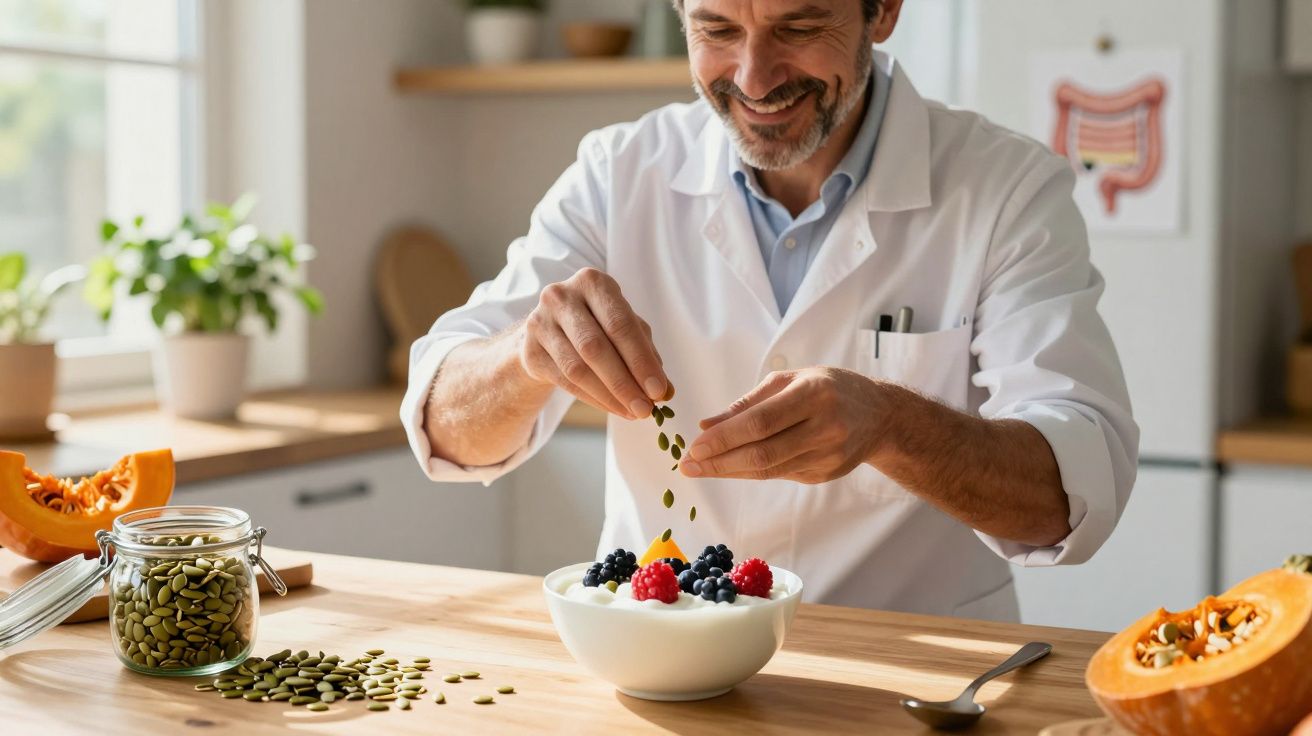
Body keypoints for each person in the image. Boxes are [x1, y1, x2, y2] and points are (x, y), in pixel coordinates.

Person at [401, 0, 1138, 621]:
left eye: (797, 27)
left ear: (882, 11)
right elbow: (443, 425)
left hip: (912, 681)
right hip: (663, 664)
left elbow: (1071, 494)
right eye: (718, 30)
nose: (754, 77)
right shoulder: (617, 173)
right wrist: (526, 356)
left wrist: (890, 422)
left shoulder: (1006, 189)